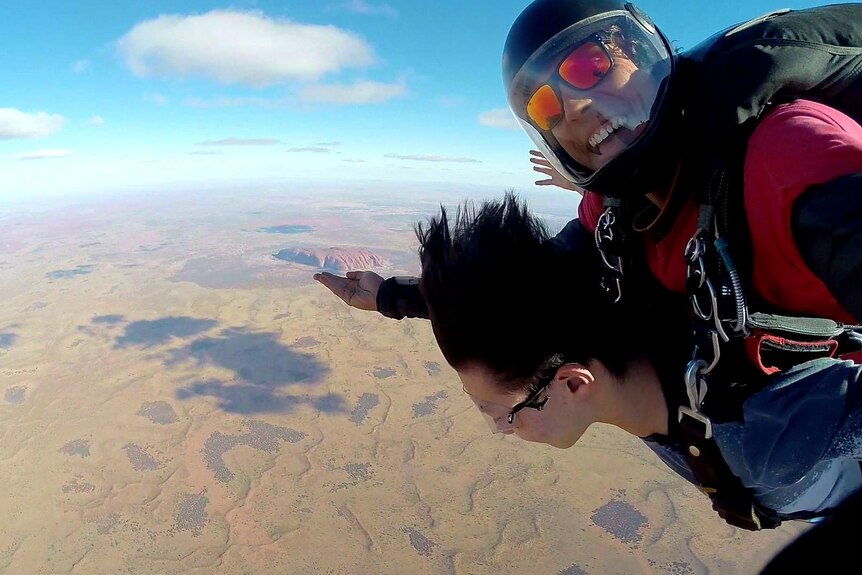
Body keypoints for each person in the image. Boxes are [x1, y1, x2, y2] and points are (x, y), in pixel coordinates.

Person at [416, 193, 862, 528]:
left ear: (574, 383)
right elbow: (523, 294)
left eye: (505, 415)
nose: (502, 430)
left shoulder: (760, 442)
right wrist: (391, 298)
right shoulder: (622, 298)